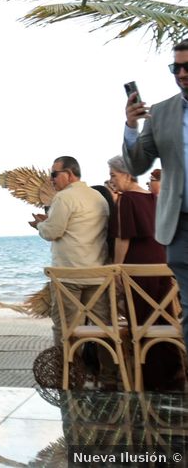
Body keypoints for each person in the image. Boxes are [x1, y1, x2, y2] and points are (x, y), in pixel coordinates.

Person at [121, 39, 188, 348]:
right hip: (181, 225)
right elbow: (138, 164)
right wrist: (131, 125)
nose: (182, 73)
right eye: (177, 67)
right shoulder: (161, 113)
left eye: (187, 66)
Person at [107, 155, 184, 390]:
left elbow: (123, 239)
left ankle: (152, 380)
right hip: (160, 265)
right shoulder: (152, 197)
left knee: (141, 323)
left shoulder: (127, 199)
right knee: (163, 319)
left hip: (138, 269)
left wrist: (117, 270)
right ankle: (173, 373)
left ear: (127, 174)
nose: (112, 181)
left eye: (114, 175)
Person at [29, 157, 109, 347]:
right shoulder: (98, 197)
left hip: (68, 275)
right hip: (97, 274)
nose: (51, 179)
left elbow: (53, 231)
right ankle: (108, 375)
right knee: (103, 328)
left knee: (66, 328)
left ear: (70, 174)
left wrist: (40, 224)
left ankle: (68, 371)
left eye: (54, 174)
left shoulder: (64, 197)